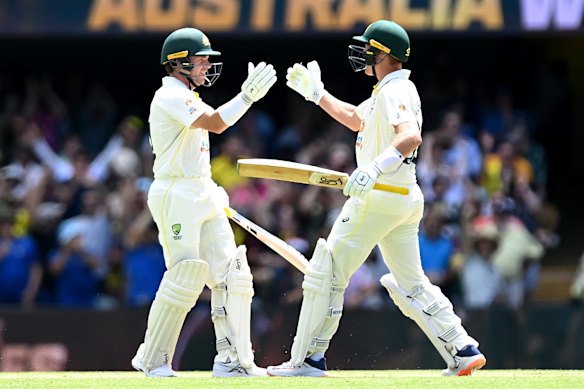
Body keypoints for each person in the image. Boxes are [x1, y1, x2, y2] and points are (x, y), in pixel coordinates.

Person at [267, 20, 486, 377]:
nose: (363, 53)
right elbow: (356, 119)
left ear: (384, 53)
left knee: (326, 272)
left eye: (369, 47)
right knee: (411, 282)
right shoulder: (386, 91)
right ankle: (462, 347)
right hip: (403, 198)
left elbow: (410, 136)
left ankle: (308, 359)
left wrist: (374, 168)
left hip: (379, 197)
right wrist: (317, 93)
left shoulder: (394, 91)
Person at [130, 27, 277, 378]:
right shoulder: (169, 95)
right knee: (185, 276)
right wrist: (246, 96)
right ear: (177, 63)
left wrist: (209, 189)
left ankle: (233, 361)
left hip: (200, 188)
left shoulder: (188, 95)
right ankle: (152, 359)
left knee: (233, 275)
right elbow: (216, 124)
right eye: (199, 61)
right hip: (175, 192)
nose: (206, 67)